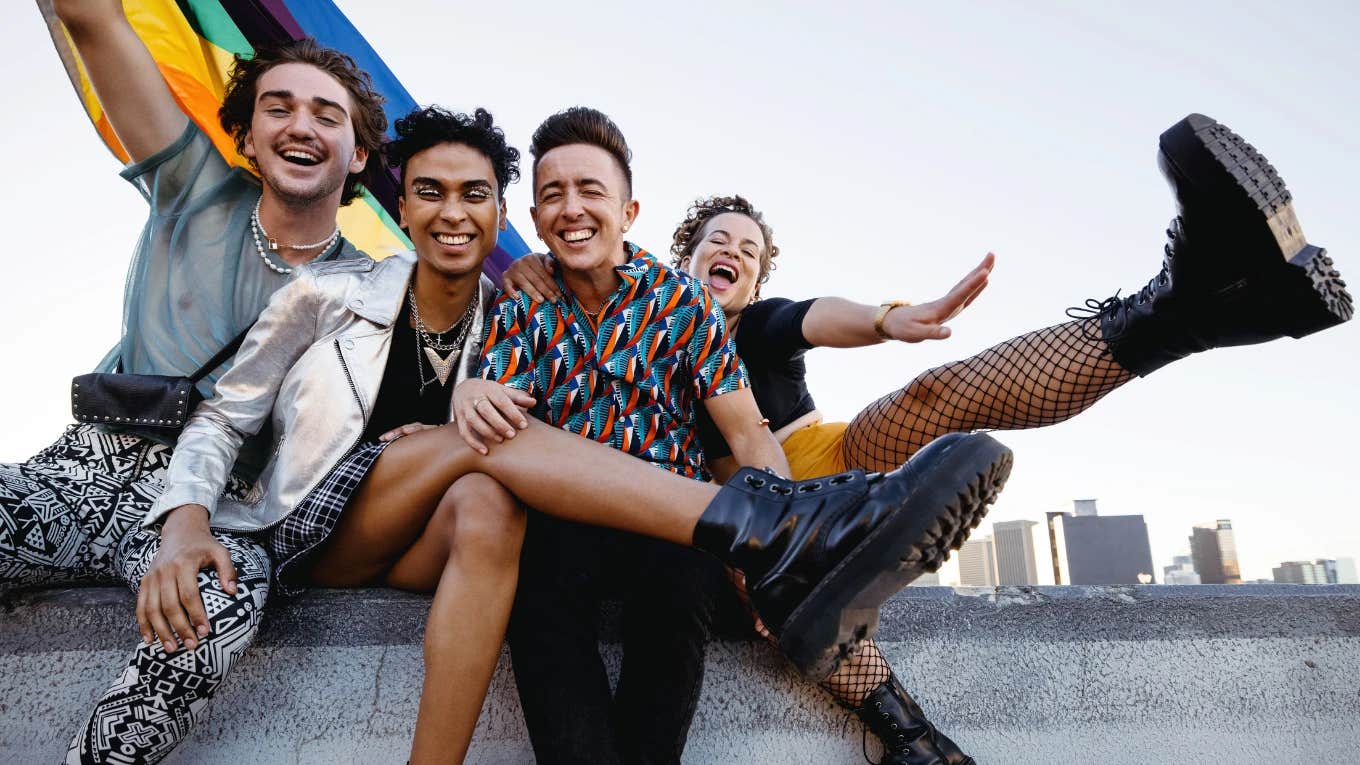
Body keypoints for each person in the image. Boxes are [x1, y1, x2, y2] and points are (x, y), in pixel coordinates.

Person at [146, 103, 1014, 765]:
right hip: (560, 522)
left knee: (681, 578)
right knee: (539, 570)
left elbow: (746, 428)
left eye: (589, 190)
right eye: (551, 193)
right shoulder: (520, 295)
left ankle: (798, 552)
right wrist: (480, 394)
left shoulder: (678, 301)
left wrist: (774, 500)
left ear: (629, 210)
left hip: (670, 524)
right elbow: (495, 416)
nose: (570, 208)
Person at [502, 112, 1352, 764]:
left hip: (808, 473)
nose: (732, 253)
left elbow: (818, 319)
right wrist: (534, 266)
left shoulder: (754, 325)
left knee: (929, 397)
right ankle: (1214, 306)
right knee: (791, 582)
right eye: (716, 242)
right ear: (676, 250)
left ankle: (1179, 306)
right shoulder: (609, 304)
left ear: (760, 276)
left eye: (750, 251)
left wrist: (884, 317)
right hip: (699, 507)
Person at [0, 2, 388, 762]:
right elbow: (91, 17)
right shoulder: (189, 184)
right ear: (245, 136)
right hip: (89, 470)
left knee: (220, 607)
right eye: (278, 107)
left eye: (326, 114)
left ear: (360, 154)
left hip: (224, 513)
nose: (301, 125)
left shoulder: (375, 299)